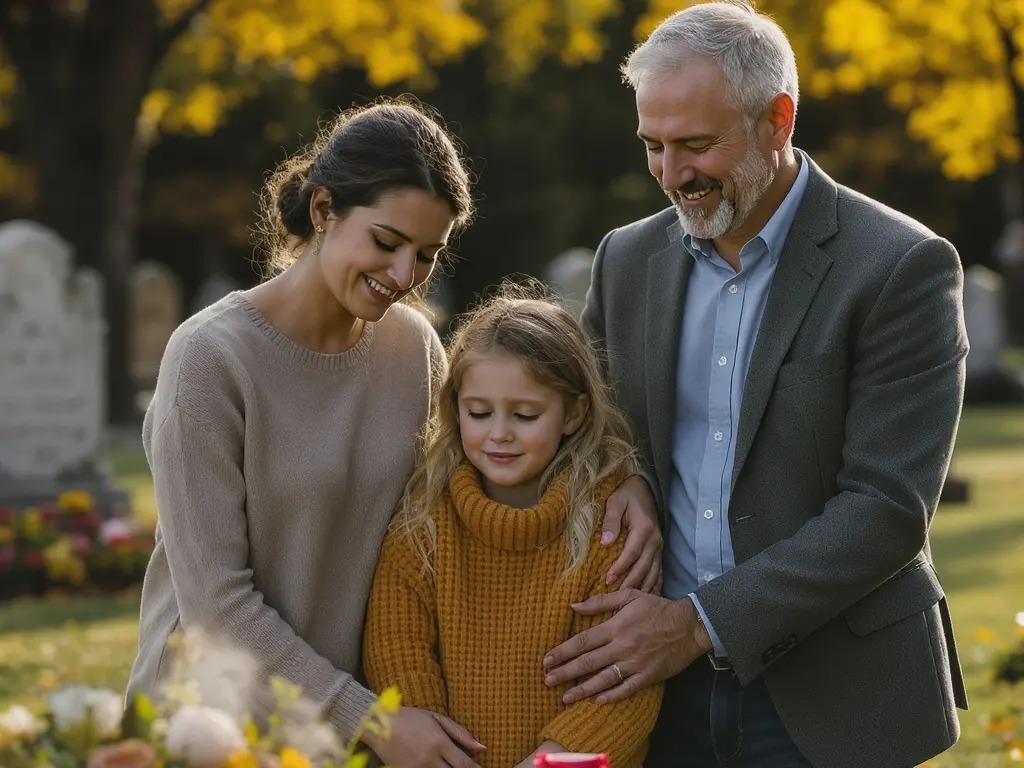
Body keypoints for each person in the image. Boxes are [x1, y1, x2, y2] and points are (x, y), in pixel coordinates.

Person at [126, 99, 661, 768]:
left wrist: (627, 483)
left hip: (356, 734)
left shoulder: (412, 348)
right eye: (385, 242)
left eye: (427, 254)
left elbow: (468, 489)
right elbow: (215, 605)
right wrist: (372, 719)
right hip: (218, 727)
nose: (404, 275)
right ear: (323, 211)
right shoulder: (209, 358)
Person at [540, 4, 970, 768]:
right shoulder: (627, 259)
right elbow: (594, 429)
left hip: (831, 696)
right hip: (649, 691)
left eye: (696, 145)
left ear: (778, 120)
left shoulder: (901, 266)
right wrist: (629, 476)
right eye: (653, 146)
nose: (672, 176)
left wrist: (698, 624)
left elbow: (885, 510)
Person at [363, 290, 662, 768]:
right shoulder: (424, 524)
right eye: (479, 413)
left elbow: (627, 680)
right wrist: (434, 747)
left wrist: (554, 759)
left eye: (525, 416)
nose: (499, 432)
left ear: (574, 413)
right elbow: (396, 646)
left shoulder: (607, 529)